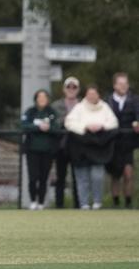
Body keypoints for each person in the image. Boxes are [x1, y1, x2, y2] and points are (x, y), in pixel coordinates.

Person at [65, 85, 118, 210]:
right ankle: (84, 204)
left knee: (97, 176)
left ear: (98, 95)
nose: (92, 96)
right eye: (89, 94)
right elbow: (69, 122)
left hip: (99, 149)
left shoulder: (105, 107)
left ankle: (97, 203)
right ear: (86, 95)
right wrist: (85, 127)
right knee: (82, 178)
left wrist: (101, 126)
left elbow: (114, 122)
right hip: (80, 149)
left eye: (94, 94)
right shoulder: (79, 108)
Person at [105, 72, 139, 208]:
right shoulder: (107, 101)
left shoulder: (135, 100)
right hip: (113, 143)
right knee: (115, 175)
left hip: (128, 143)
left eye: (125, 83)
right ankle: (115, 203)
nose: (123, 86)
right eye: (120, 83)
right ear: (114, 85)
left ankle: (128, 203)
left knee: (128, 174)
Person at [21, 89, 58, 210]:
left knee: (44, 177)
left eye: (44, 97)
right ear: (36, 99)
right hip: (32, 150)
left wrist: (49, 128)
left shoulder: (52, 112)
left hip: (47, 151)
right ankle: (33, 201)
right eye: (39, 97)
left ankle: (41, 202)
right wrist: (38, 126)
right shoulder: (30, 112)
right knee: (33, 177)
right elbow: (24, 125)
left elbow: (56, 127)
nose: (42, 99)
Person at [51, 76, 81, 208]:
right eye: (69, 86)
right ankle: (59, 205)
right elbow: (53, 123)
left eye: (74, 87)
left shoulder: (83, 105)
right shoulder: (56, 105)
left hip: (78, 145)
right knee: (60, 177)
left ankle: (79, 205)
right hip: (61, 146)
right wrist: (66, 120)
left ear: (78, 89)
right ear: (64, 89)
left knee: (77, 177)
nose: (71, 89)